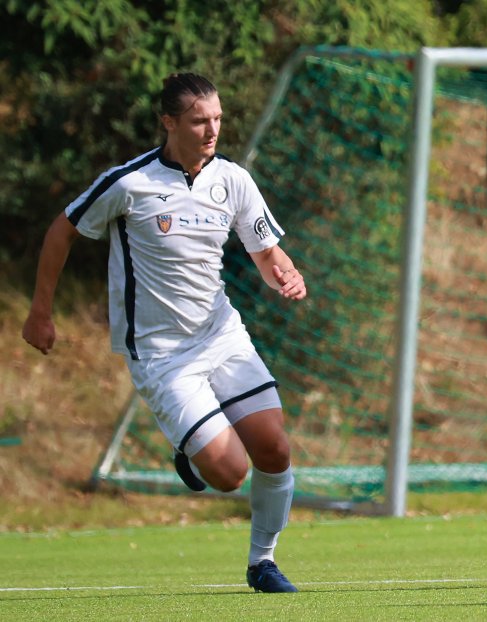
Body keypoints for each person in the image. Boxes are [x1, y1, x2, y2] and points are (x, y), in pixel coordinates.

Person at [22, 73, 306, 593]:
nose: (212, 129)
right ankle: (190, 445)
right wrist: (41, 312)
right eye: (200, 120)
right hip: (161, 355)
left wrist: (284, 273)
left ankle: (262, 562)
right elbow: (61, 229)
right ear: (169, 122)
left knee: (275, 450)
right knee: (229, 473)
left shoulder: (234, 180)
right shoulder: (130, 184)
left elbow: (266, 252)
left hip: (221, 337)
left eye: (218, 119)